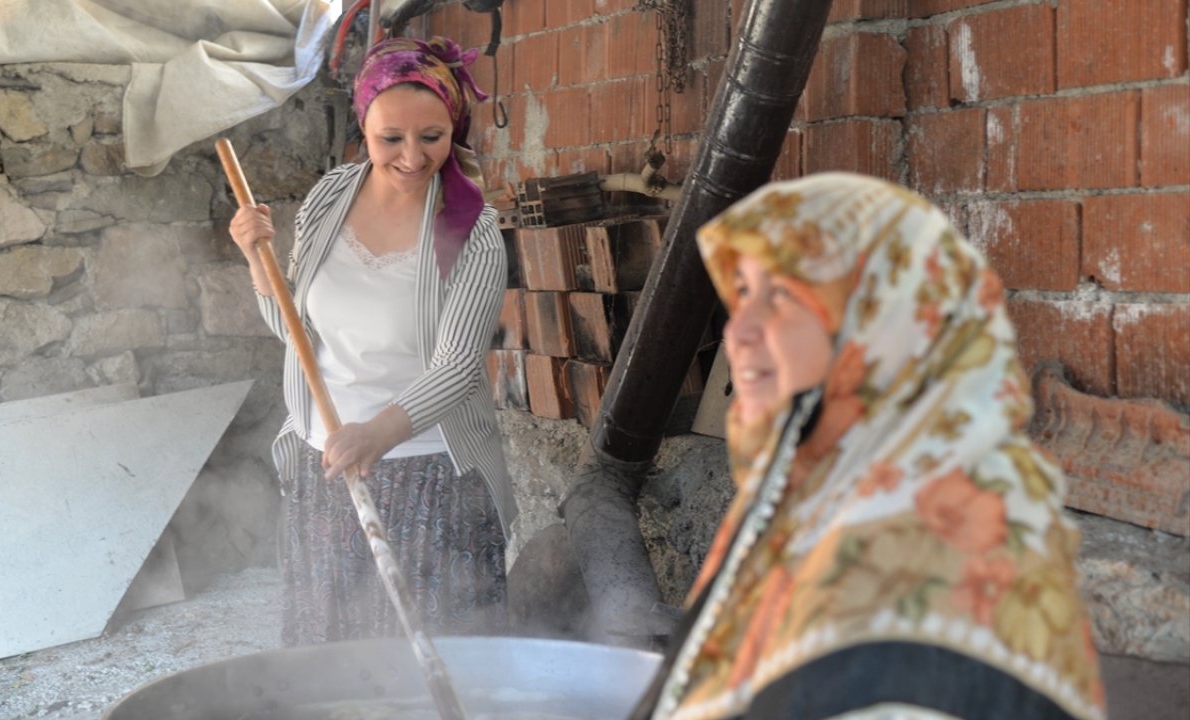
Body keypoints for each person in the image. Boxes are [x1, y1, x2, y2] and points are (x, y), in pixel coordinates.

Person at [630, 173, 1105, 720]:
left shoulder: (934, 574)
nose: (740, 332)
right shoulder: (804, 494)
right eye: (743, 296)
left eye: (782, 297)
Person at [228, 36, 514, 645]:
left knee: (436, 661)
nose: (412, 157)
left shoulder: (472, 232)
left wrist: (374, 436)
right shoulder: (330, 198)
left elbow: (458, 367)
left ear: (454, 127)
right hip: (327, 468)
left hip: (430, 477)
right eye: (391, 139)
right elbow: (300, 338)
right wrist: (259, 262)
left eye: (432, 137)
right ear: (365, 126)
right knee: (333, 657)